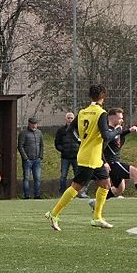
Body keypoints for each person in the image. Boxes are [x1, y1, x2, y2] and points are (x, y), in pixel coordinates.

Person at [46, 85, 115, 230]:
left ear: (90, 96)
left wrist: (80, 141)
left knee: (105, 184)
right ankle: (53, 213)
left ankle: (97, 218)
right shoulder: (101, 113)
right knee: (76, 187)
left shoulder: (83, 112)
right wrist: (118, 131)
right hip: (90, 158)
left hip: (93, 157)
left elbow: (70, 130)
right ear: (103, 96)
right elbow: (106, 136)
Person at [92, 107, 137, 208]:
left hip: (114, 162)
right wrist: (105, 162)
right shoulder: (107, 132)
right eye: (120, 118)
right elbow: (100, 148)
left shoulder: (115, 130)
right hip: (111, 163)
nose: (122, 120)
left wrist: (129, 130)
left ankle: (95, 202)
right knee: (136, 173)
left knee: (119, 189)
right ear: (112, 118)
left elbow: (117, 135)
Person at [54, 112, 87, 198]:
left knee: (78, 175)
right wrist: (63, 150)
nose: (70, 120)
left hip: (76, 157)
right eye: (68, 118)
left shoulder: (78, 129)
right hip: (65, 157)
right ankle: (62, 192)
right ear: (65, 119)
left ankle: (78, 192)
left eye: (71, 118)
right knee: (63, 176)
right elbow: (57, 143)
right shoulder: (61, 130)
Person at [18, 116, 44, 199]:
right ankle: (27, 195)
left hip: (37, 159)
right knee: (26, 178)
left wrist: (40, 156)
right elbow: (20, 146)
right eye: (32, 124)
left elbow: (41, 145)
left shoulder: (39, 133)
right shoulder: (23, 133)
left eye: (35, 124)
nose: (34, 125)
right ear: (29, 124)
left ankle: (37, 195)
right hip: (27, 160)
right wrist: (25, 158)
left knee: (37, 178)